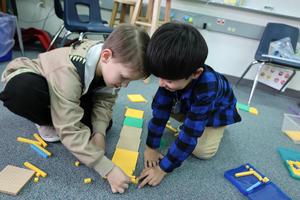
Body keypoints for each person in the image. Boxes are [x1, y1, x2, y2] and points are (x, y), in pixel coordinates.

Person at [0, 24, 150, 193]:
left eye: (129, 81)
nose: (125, 85)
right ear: (106, 56)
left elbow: (105, 101)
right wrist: (107, 169)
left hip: (70, 90)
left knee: (104, 123)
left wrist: (99, 133)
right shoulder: (69, 70)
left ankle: (59, 116)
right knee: (23, 92)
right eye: (123, 77)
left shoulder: (108, 64)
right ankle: (46, 120)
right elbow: (70, 130)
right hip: (33, 80)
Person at [138, 22, 242, 188]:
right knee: (160, 100)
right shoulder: (170, 76)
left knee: (202, 152)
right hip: (188, 102)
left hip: (216, 112)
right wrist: (151, 146)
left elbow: (190, 133)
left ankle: (218, 129)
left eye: (169, 80)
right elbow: (159, 114)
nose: (161, 83)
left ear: (196, 73)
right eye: (160, 77)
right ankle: (188, 113)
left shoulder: (208, 86)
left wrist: (163, 168)